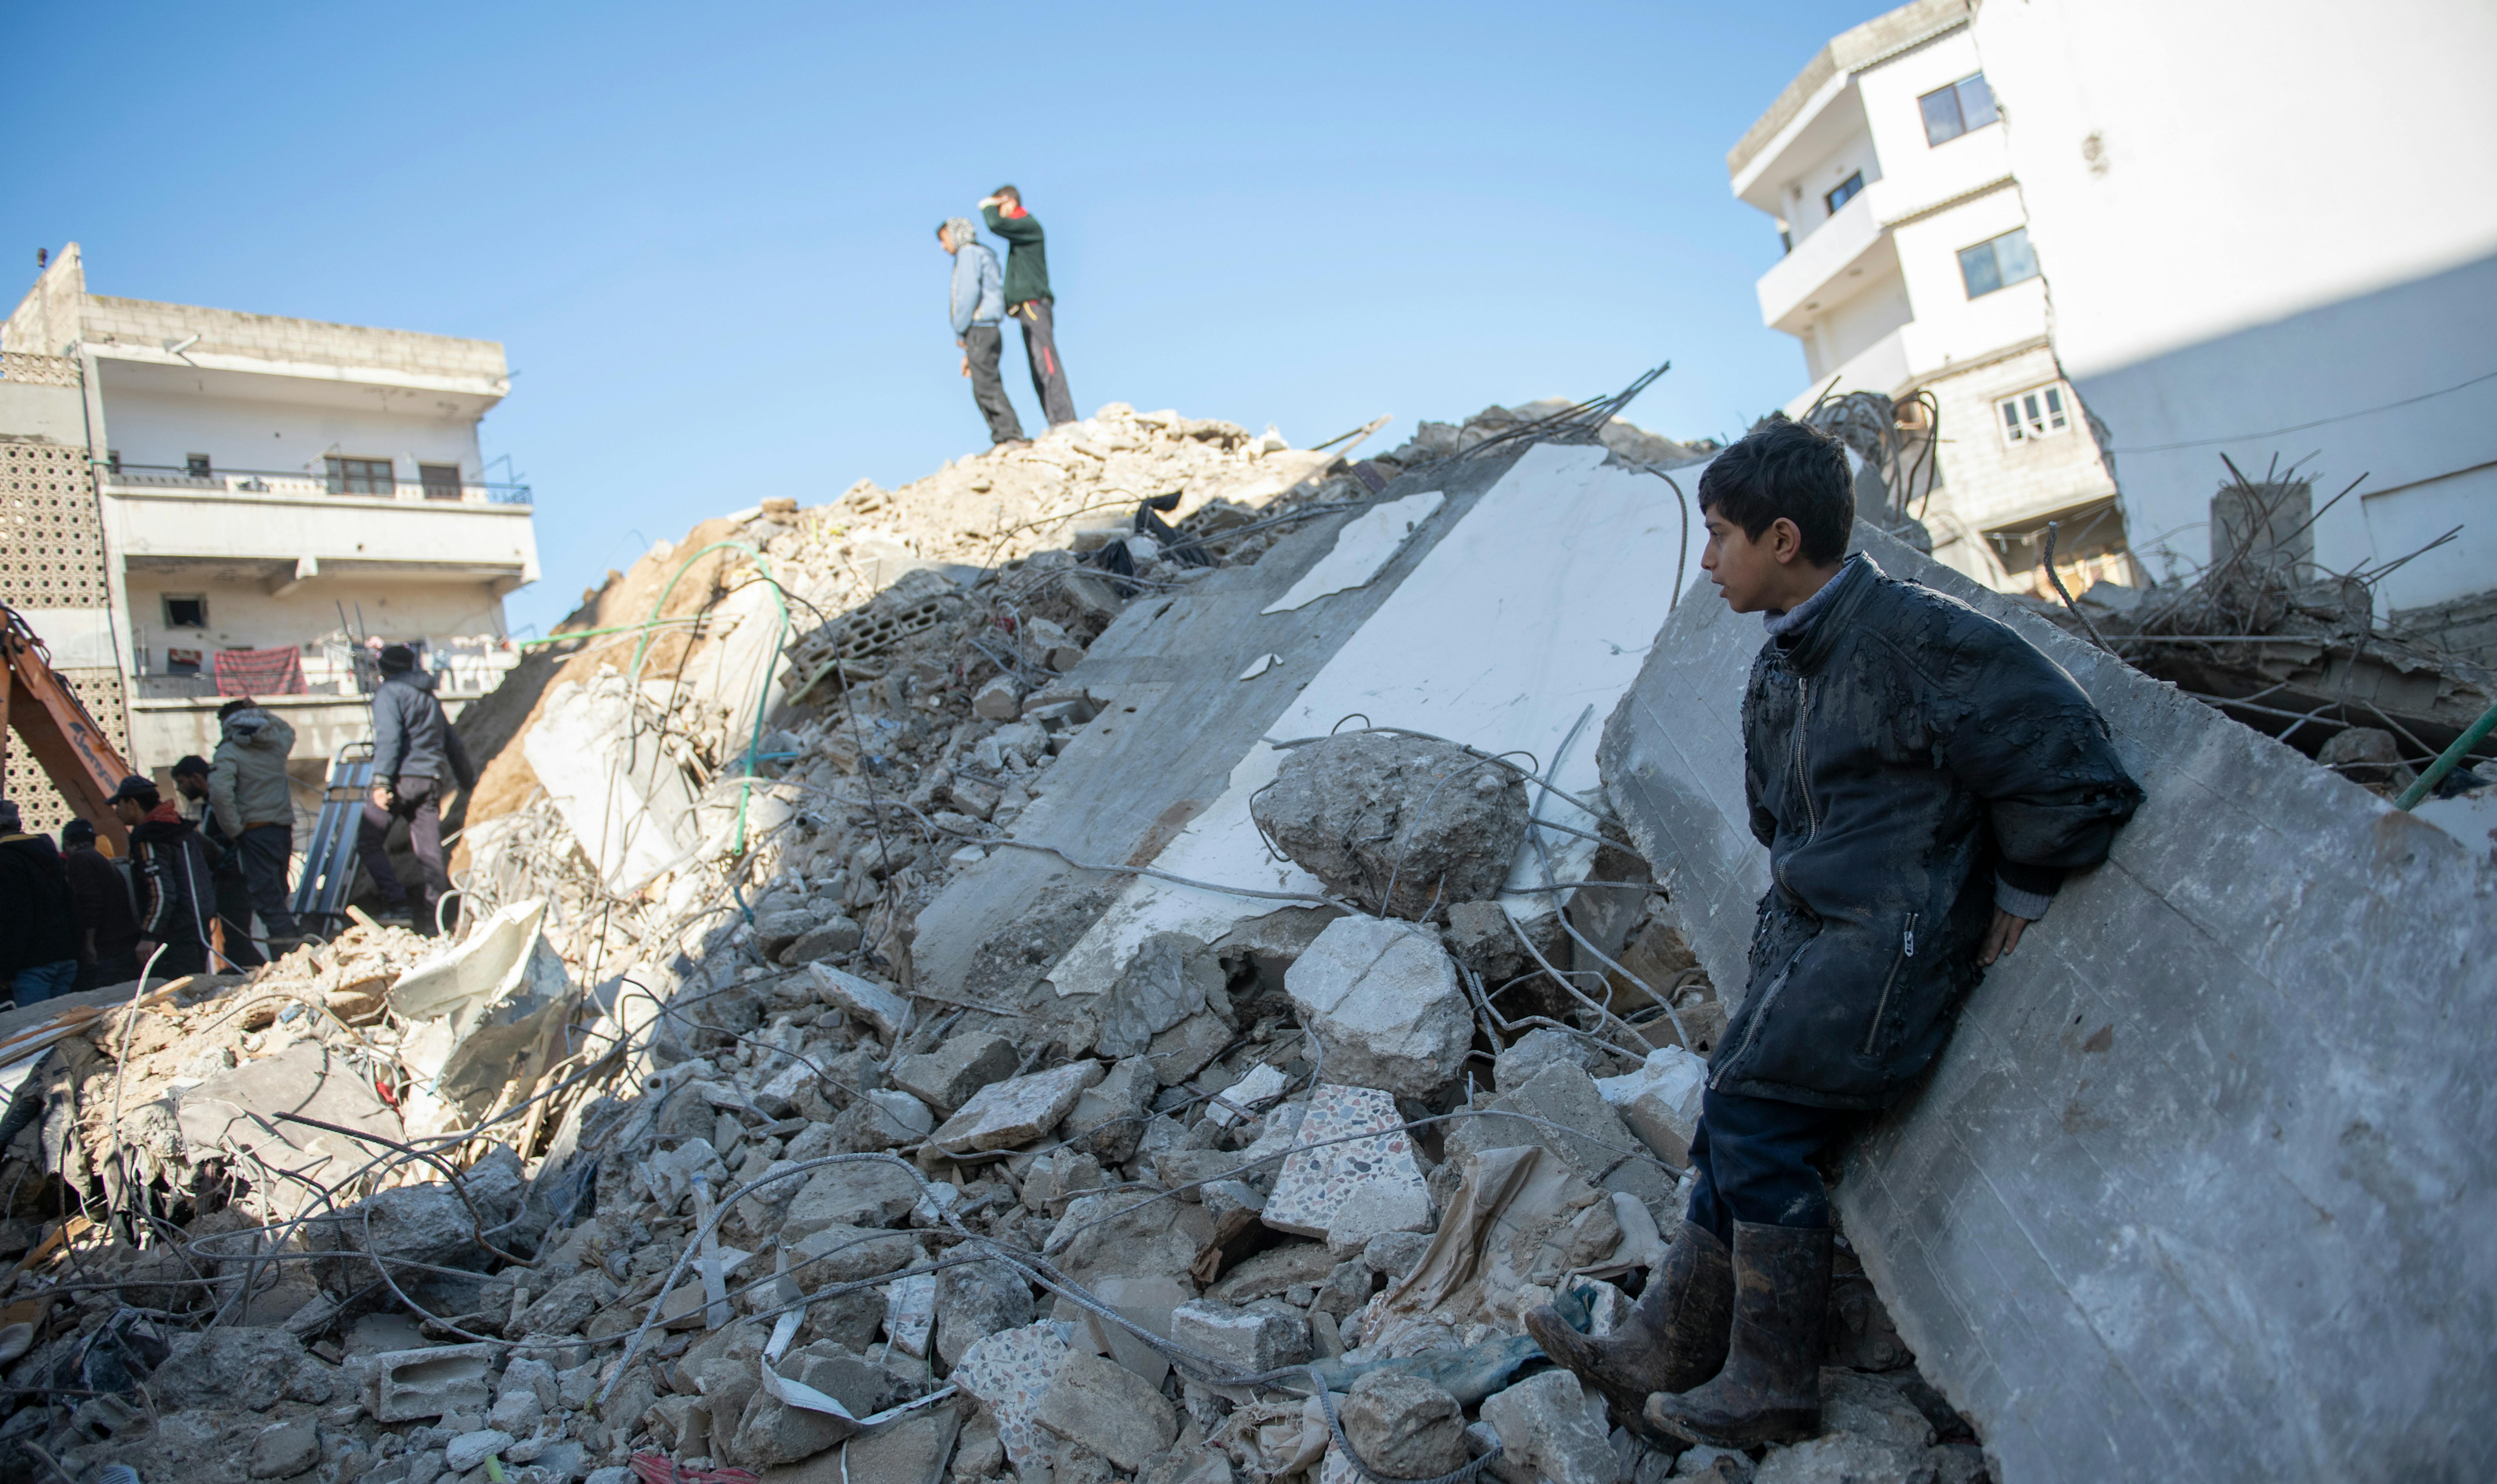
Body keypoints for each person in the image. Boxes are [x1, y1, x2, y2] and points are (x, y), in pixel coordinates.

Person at [1523, 418, 2143, 1448]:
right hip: (1810, 938)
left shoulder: (1919, 637)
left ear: (1779, 537)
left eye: (1719, 534)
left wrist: (2022, 883)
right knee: (1731, 1113)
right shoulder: (1781, 666)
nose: (1709, 558)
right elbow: (1781, 821)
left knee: (1759, 1119)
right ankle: (1663, 1348)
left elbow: (2072, 763)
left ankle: (1771, 1381)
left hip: (1889, 946)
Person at [358, 643, 453, 933]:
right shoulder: (430, 698)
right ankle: (438, 914)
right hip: (430, 780)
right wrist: (468, 780)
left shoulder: (388, 693)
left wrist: (382, 782)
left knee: (368, 840)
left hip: (400, 779)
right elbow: (452, 741)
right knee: (429, 851)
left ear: (384, 669)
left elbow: (388, 740)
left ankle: (397, 903)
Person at [207, 696, 302, 952]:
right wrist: (260, 711)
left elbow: (219, 794)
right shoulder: (275, 745)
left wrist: (234, 830)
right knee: (279, 895)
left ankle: (292, 955)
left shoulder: (229, 751)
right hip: (282, 829)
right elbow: (288, 730)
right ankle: (290, 952)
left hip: (255, 832)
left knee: (268, 901)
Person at [978, 185, 1077, 428]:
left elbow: (995, 225)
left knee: (1046, 361)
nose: (998, 212)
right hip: (1025, 309)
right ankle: (1056, 422)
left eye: (1000, 206)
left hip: (1034, 305)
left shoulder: (1029, 225)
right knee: (1037, 368)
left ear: (1009, 202)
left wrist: (987, 205)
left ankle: (1066, 420)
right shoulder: (1022, 232)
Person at [110, 774, 216, 979]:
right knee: (196, 984)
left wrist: (150, 935)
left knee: (177, 991)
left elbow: (161, 891)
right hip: (198, 924)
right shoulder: (182, 829)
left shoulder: (149, 837)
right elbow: (216, 856)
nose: (116, 811)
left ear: (132, 803)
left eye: (118, 804)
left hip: (174, 933)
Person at [172, 753, 265, 969]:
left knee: (238, 941)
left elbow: (232, 845)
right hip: (227, 882)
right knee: (234, 942)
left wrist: (222, 871)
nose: (180, 789)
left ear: (196, 778)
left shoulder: (220, 806)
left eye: (182, 783)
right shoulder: (209, 807)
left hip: (235, 882)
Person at [939, 217, 1026, 448]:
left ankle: (1010, 435)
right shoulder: (984, 254)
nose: (943, 245)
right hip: (987, 330)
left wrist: (960, 329)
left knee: (986, 386)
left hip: (980, 328)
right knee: (985, 384)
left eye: (944, 239)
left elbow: (967, 295)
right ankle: (1005, 436)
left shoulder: (969, 254)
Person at [0, 801, 80, 1005]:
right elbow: (69, 901)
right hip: (65, 957)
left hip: (32, 966)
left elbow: (15, 917)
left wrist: (5, 971)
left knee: (37, 1031)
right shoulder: (45, 851)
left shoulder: (6, 859)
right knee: (65, 1027)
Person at [61, 817, 142, 991]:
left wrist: (89, 944)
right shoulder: (101, 859)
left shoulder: (79, 860)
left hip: (108, 947)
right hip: (123, 943)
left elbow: (91, 904)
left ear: (67, 842)